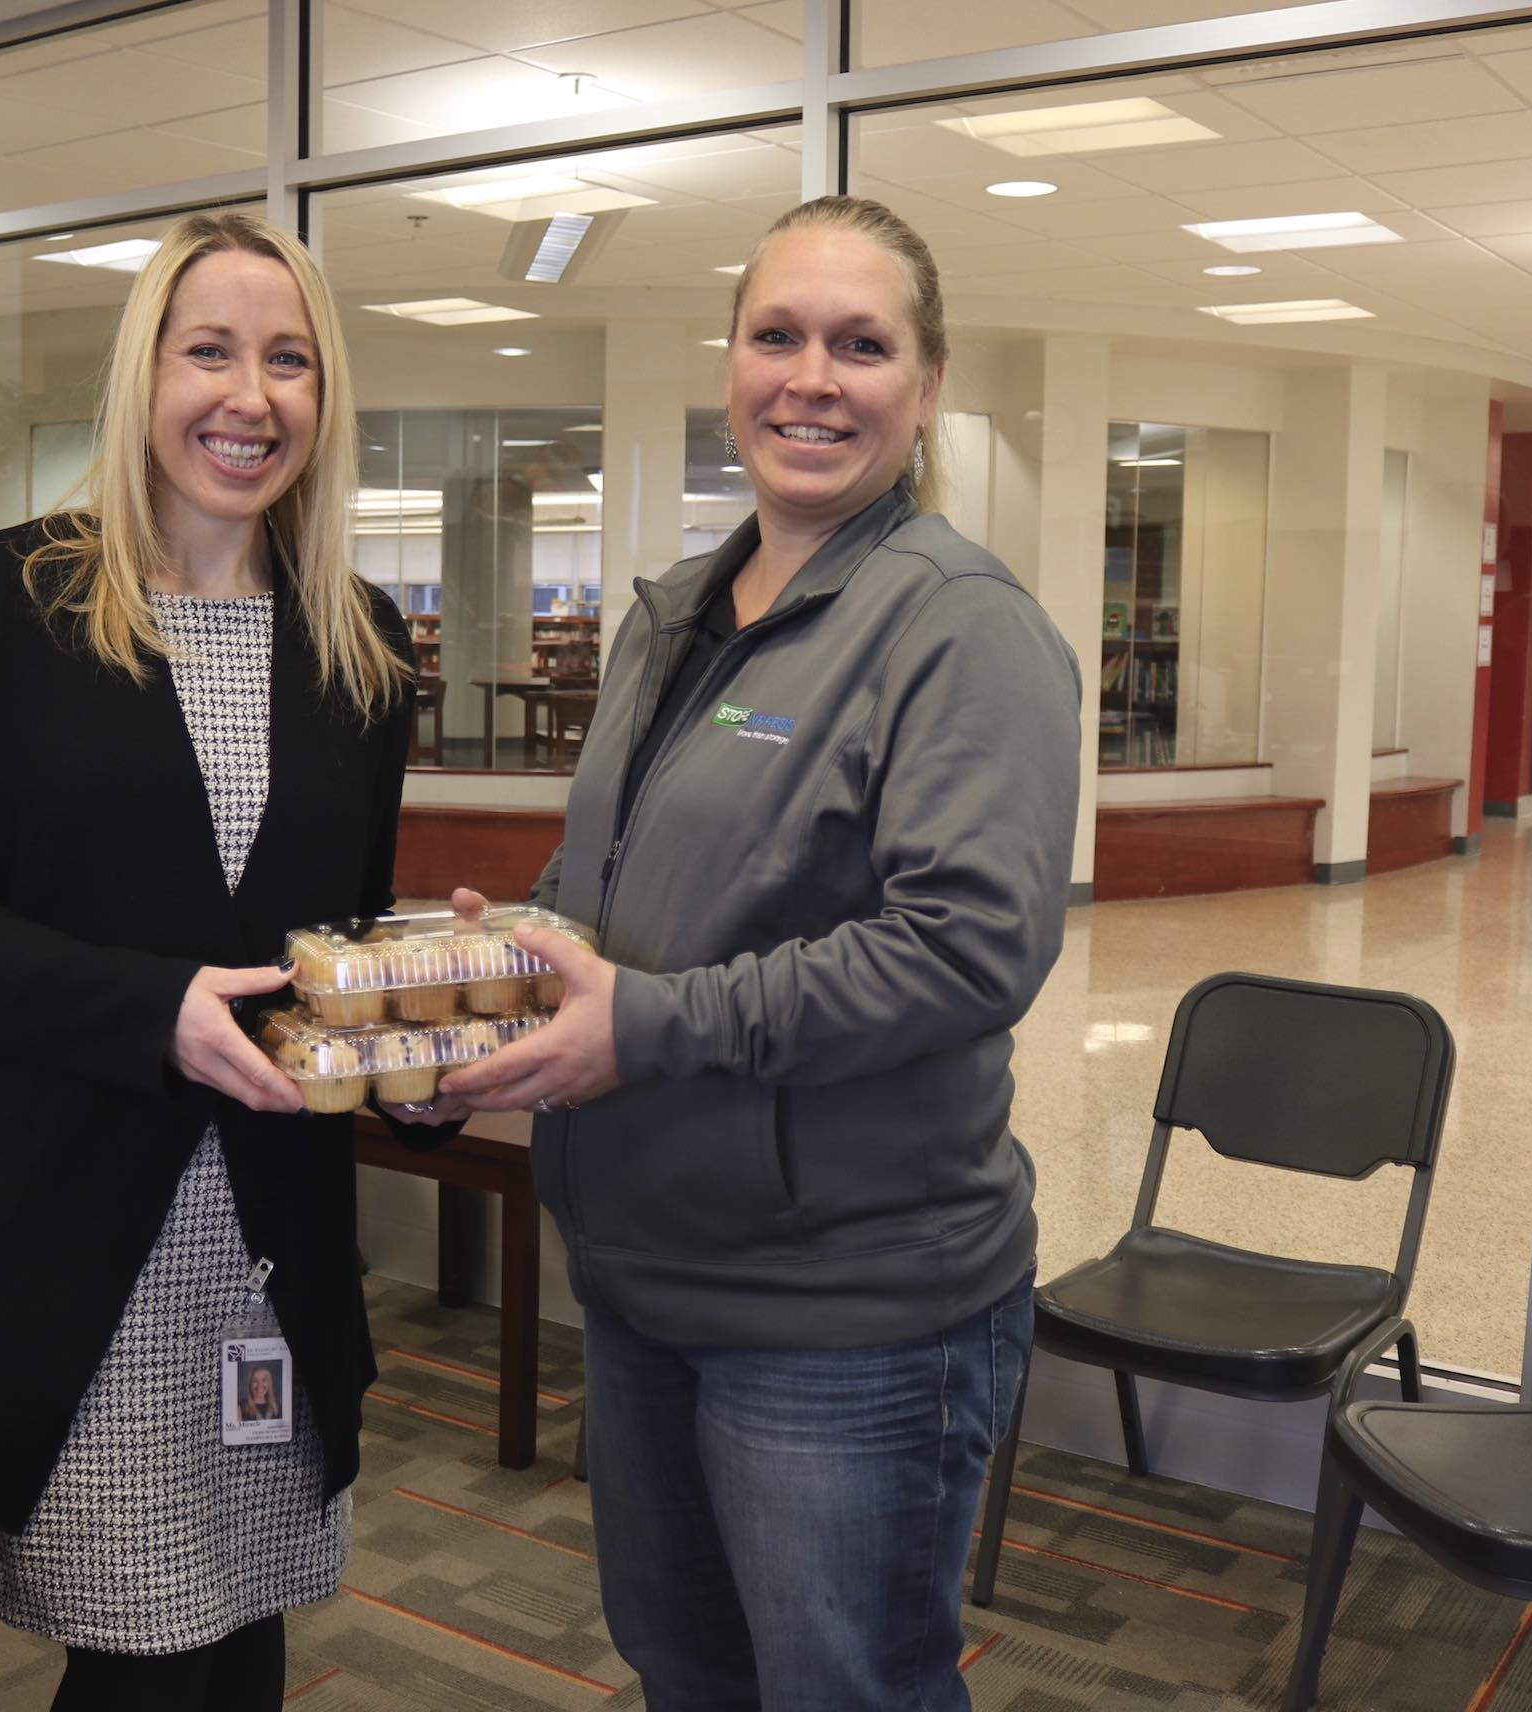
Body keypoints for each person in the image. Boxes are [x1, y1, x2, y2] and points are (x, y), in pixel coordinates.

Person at [428, 196, 1082, 1711]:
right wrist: (522, 957)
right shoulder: (671, 617)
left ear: (924, 387)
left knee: (844, 1690)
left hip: (846, 1313)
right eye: (777, 335)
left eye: (863, 345)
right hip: (650, 1274)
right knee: (690, 1673)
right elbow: (618, 885)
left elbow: (969, 950)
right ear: (728, 361)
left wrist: (644, 1025)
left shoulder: (960, 630)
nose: (813, 378)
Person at [0, 210, 415, 1712]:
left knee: (245, 1638)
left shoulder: (360, 647)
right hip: (73, 1236)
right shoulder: (5, 604)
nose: (250, 396)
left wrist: (416, 1037)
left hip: (269, 1250)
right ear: (142, 373)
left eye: (289, 360)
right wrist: (147, 1011)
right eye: (207, 349)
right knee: (141, 1653)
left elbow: (333, 941)